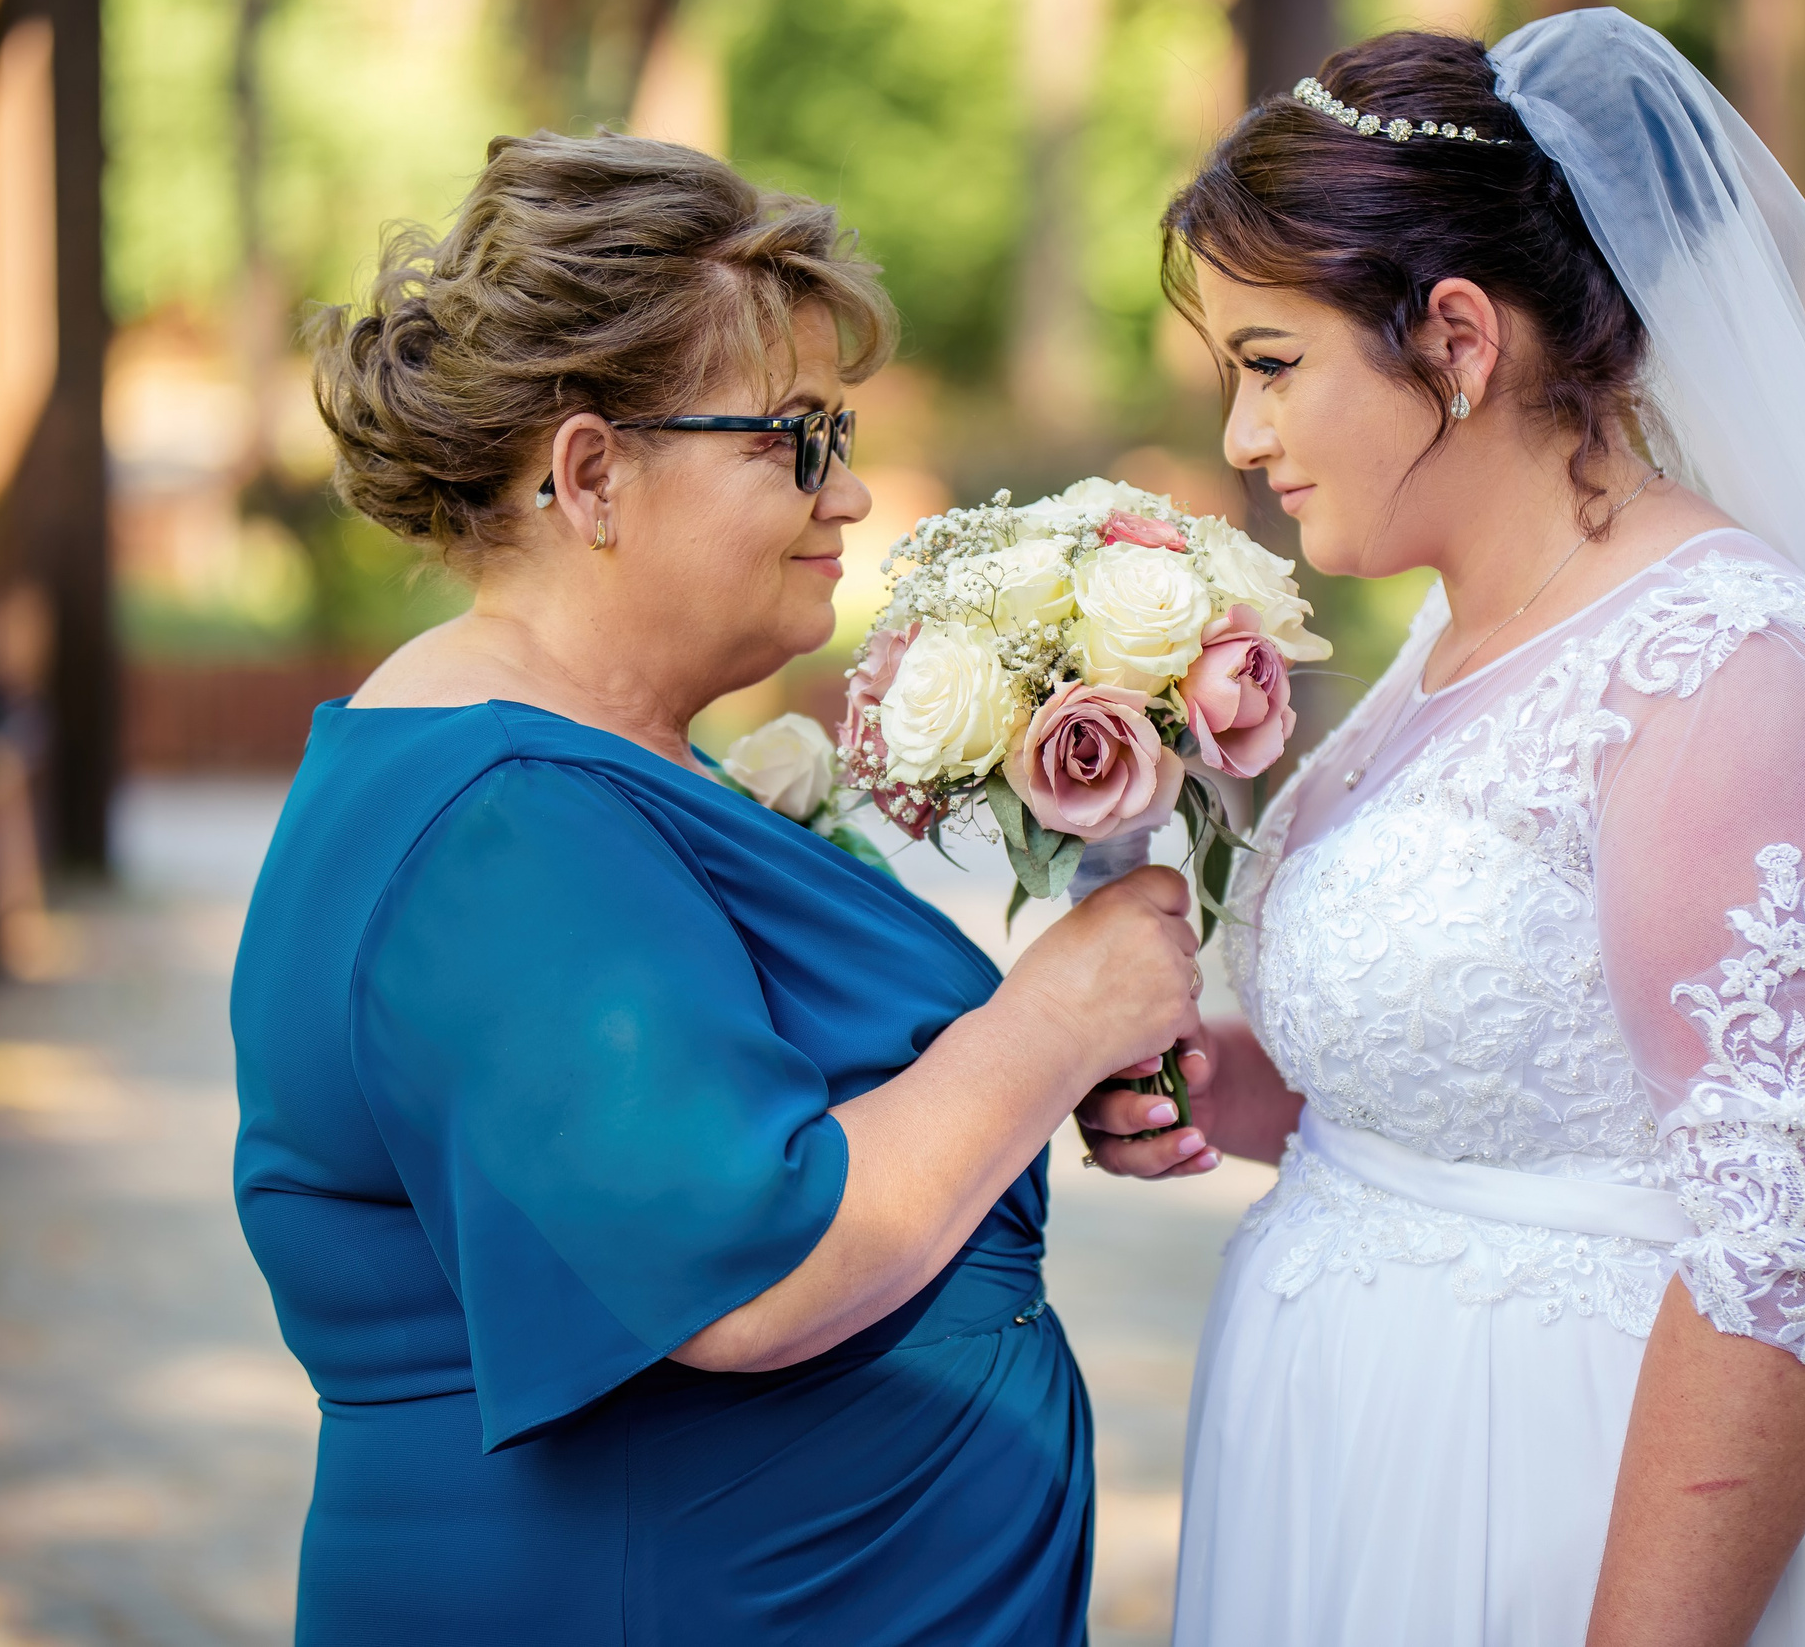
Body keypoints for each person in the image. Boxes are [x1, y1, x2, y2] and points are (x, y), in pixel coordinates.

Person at [1091, 14, 1805, 1646]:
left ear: (1454, 338)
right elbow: (1507, 1077)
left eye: (1271, 365)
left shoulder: (1739, 672)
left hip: (1567, 1506)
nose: (1242, 437)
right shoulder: (1457, 636)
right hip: (1354, 1482)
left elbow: (1793, 1254)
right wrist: (1212, 1078)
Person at [231, 130, 1212, 1645]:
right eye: (797, 439)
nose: (852, 492)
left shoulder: (594, 766)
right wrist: (1055, 1021)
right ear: (593, 473)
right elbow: (745, 1271)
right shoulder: (502, 825)